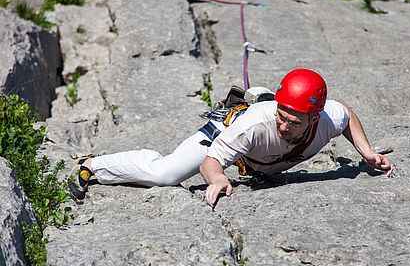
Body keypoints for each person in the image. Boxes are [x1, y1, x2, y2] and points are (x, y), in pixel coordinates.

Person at [69, 68, 392, 208]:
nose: (284, 125)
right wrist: (217, 179)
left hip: (260, 154)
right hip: (224, 136)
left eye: (293, 121)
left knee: (265, 158)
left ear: (313, 116)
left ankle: (259, 101)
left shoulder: (326, 117)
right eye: (281, 116)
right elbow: (210, 162)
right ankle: (95, 165)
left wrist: (367, 153)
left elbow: (346, 114)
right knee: (165, 175)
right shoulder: (255, 125)